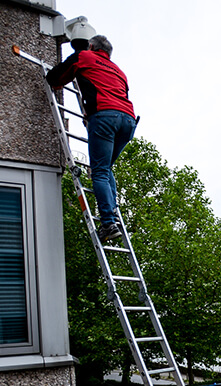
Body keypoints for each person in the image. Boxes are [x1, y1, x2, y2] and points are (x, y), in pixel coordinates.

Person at [46, 34, 137, 243]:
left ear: (92, 46)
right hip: (128, 121)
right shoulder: (119, 71)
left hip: (105, 118)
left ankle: (108, 222)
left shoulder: (85, 56)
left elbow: (56, 79)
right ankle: (112, 211)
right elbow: (115, 93)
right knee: (106, 168)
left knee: (99, 171)